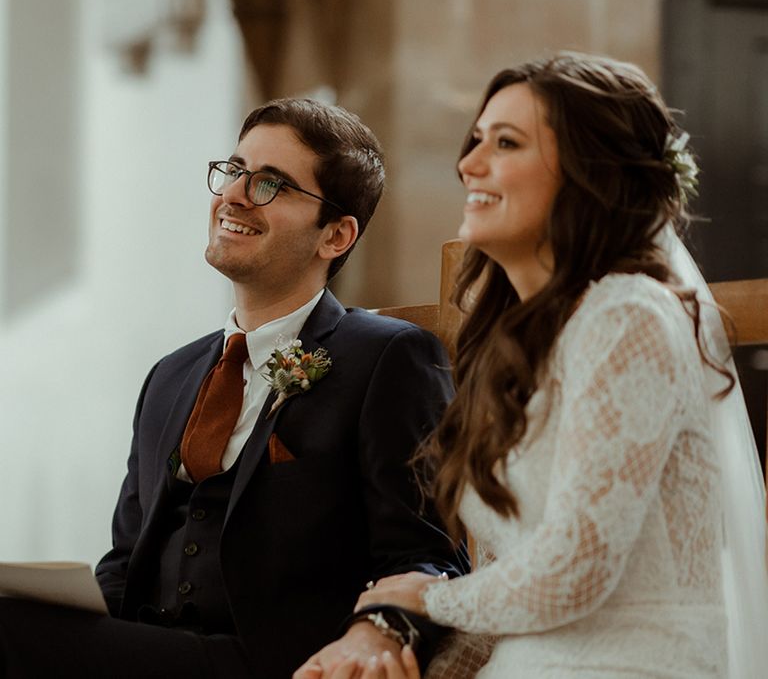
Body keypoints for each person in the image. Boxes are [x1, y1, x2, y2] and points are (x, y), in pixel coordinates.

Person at [304, 53, 768, 678]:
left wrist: (423, 597)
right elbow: (508, 593)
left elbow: (578, 570)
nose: (469, 163)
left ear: (589, 174)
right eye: (475, 141)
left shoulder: (631, 317)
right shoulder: (518, 348)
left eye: (507, 142)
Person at [0, 98, 463, 678]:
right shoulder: (171, 376)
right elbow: (123, 564)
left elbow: (430, 553)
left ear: (336, 236)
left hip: (276, 661)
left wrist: (378, 631)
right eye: (235, 170)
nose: (235, 194)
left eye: (271, 183)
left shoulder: (387, 356)